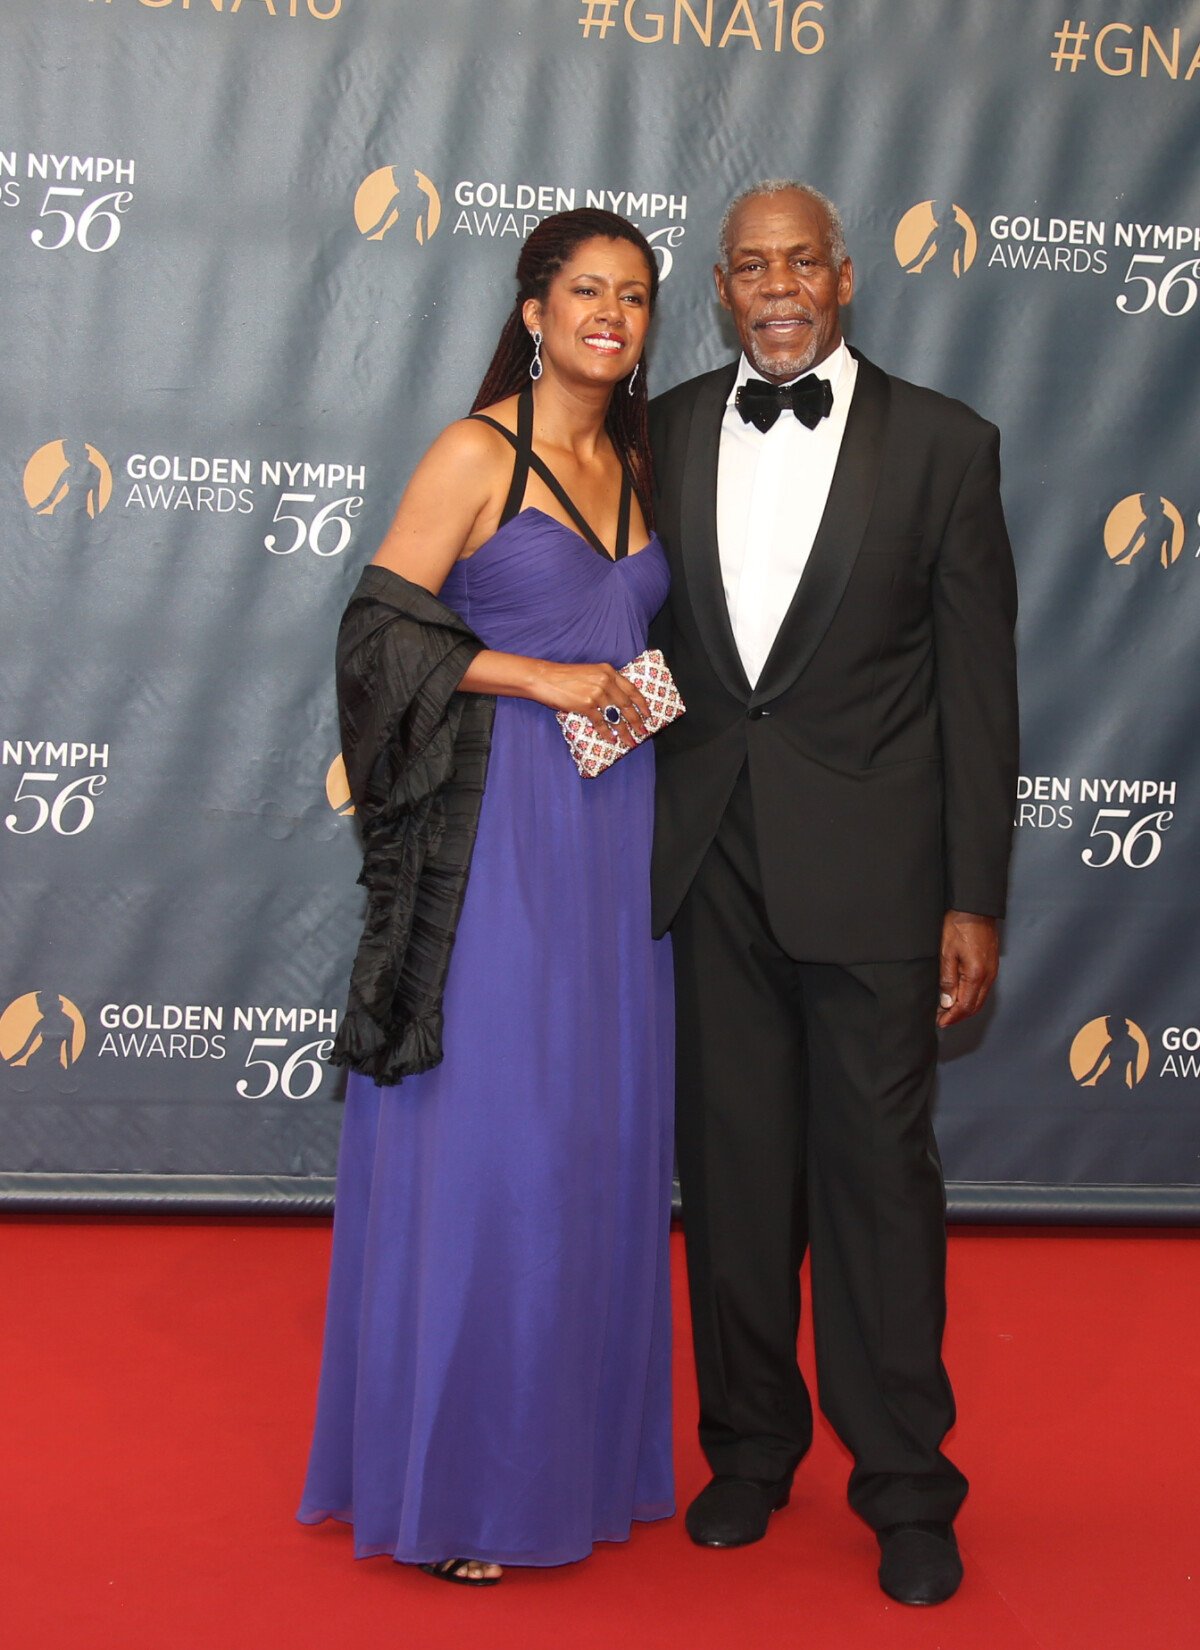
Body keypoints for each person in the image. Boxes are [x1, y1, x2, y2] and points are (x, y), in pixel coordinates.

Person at [648, 181, 1018, 1605]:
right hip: (712, 866)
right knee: (734, 1182)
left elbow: (980, 699)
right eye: (750, 267)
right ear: (724, 289)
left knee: (877, 1185)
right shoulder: (667, 426)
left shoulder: (945, 444)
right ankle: (746, 1447)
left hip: (877, 880)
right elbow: (647, 652)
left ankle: (909, 1487)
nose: (777, 286)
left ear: (846, 277)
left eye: (801, 261)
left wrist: (973, 892)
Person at [297, 209, 675, 1585]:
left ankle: (576, 1457)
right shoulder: (479, 451)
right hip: (503, 832)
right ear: (530, 309)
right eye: (586, 290)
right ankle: (461, 1482)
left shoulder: (637, 456)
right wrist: (540, 674)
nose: (611, 317)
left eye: (634, 297)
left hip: (619, 834)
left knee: (593, 1145)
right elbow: (378, 630)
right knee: (498, 1143)